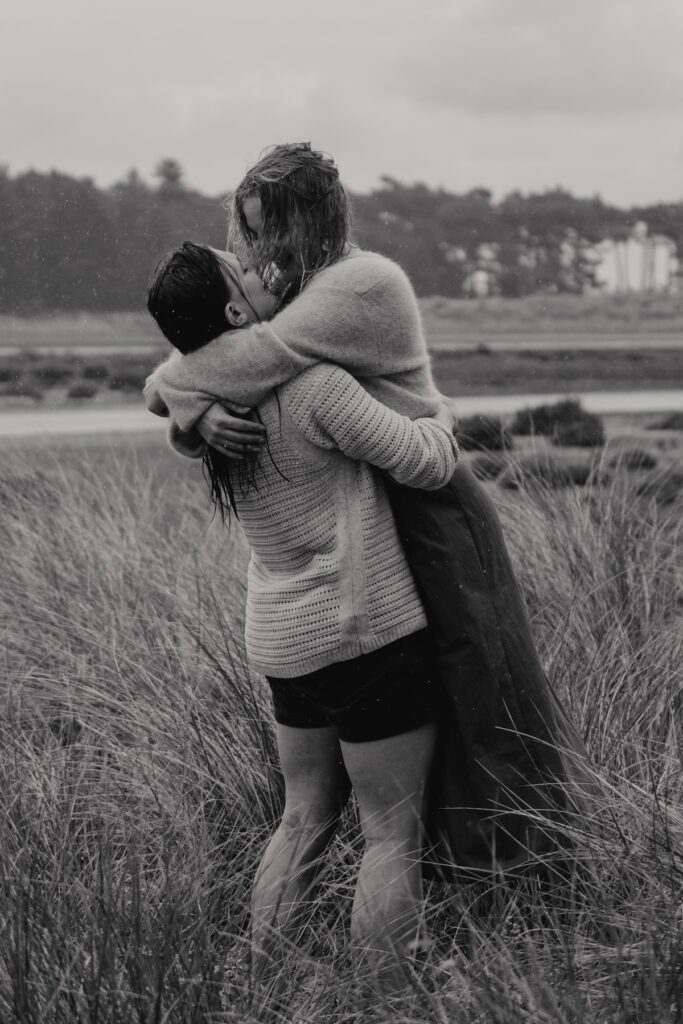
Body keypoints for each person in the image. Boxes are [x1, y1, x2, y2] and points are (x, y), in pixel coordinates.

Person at [146, 239, 461, 993]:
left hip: (286, 642)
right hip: (364, 634)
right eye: (243, 269)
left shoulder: (215, 407)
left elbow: (174, 389)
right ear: (234, 310)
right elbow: (428, 462)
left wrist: (187, 418)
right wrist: (435, 411)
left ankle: (262, 985)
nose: (260, 270)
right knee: (392, 833)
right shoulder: (314, 386)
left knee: (302, 817)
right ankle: (385, 999)